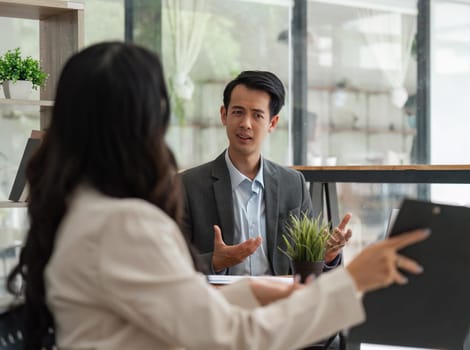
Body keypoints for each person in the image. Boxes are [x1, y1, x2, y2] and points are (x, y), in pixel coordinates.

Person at [7, 42, 428, 350]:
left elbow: (166, 312)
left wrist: (252, 292)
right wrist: (353, 281)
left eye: (258, 115)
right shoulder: (128, 222)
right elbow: (228, 340)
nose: (246, 124)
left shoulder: (81, 211)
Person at [181, 70, 351, 276]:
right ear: (223, 115)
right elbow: (168, 263)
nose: (246, 123)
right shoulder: (188, 185)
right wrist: (214, 262)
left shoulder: (293, 184)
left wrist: (327, 256)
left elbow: (309, 266)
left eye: (257, 115)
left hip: (280, 300)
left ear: (272, 123)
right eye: (237, 112)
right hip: (219, 301)